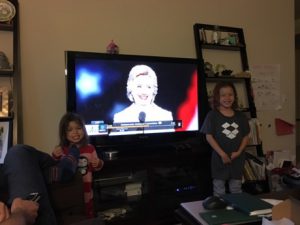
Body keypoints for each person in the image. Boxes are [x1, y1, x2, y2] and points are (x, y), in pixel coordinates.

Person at [200, 81, 250, 196]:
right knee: (219, 189)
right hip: (219, 158)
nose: (227, 98)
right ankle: (220, 213)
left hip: (237, 158)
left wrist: (239, 152)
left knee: (236, 189)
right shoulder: (212, 115)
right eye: (223, 95)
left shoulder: (240, 116)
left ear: (235, 96)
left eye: (230, 94)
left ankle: (237, 211)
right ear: (217, 97)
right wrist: (222, 154)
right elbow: (209, 136)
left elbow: (245, 136)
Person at [52, 112, 104, 218]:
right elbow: (55, 169)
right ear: (64, 133)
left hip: (87, 191)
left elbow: (96, 167)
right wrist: (55, 155)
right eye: (70, 130)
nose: (75, 132)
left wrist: (98, 163)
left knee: (88, 213)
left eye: (78, 128)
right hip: (69, 191)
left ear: (84, 130)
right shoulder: (61, 149)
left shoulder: (90, 148)